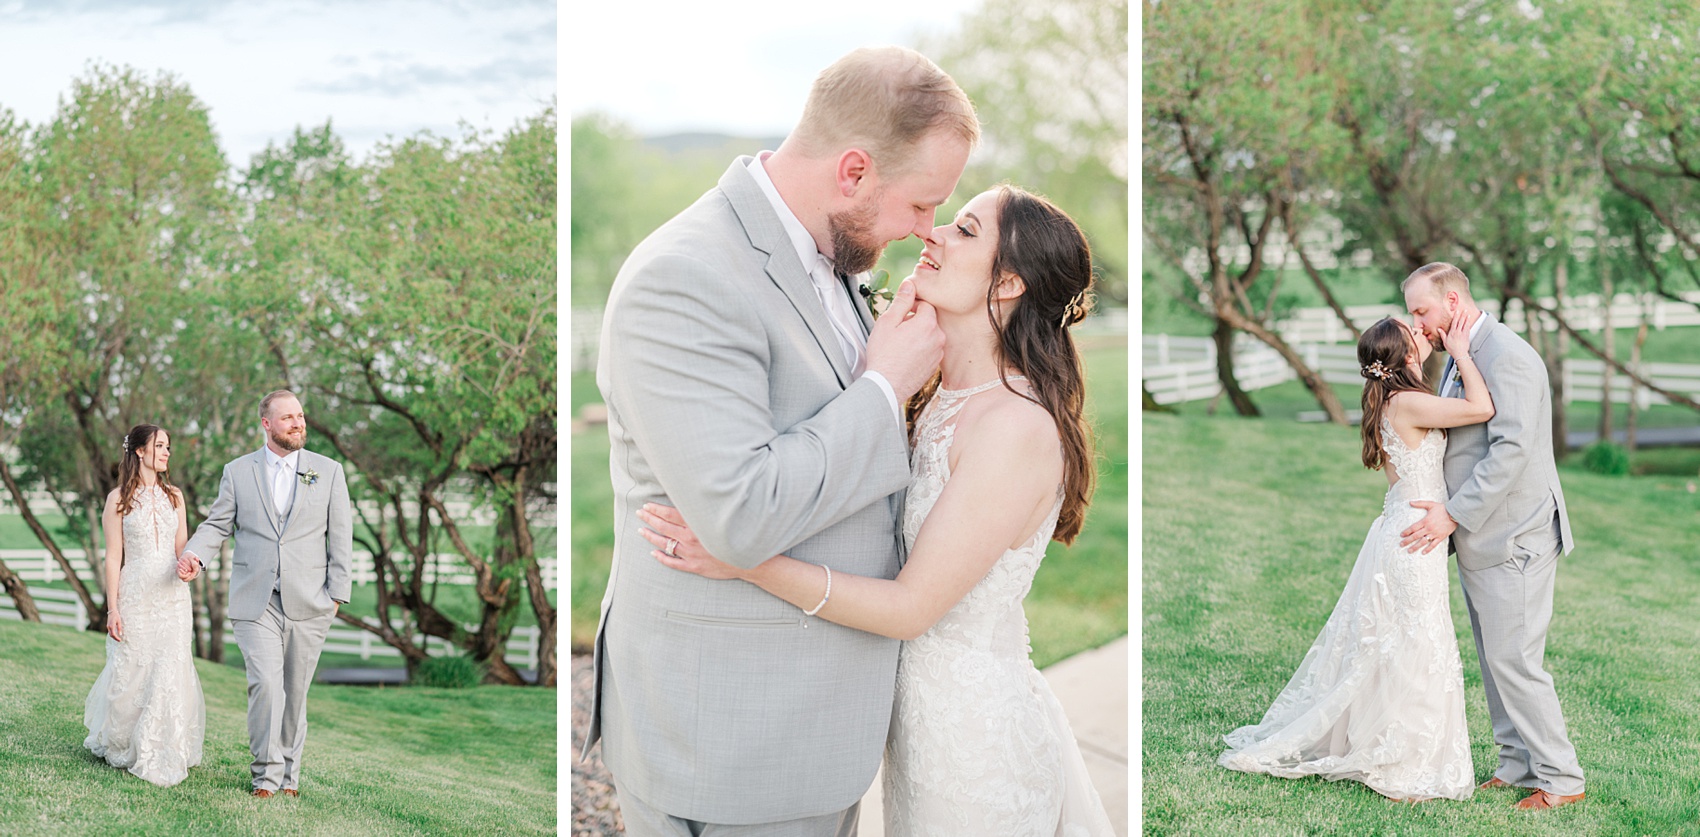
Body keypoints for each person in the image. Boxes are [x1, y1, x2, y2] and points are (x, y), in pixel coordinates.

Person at [582, 46, 974, 835]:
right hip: (730, 746)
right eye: (923, 204)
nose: (924, 232)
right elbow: (741, 514)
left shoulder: (831, 257)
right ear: (854, 171)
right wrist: (882, 387)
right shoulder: (685, 277)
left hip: (817, 733)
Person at [640, 185, 1115, 835]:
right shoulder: (937, 390)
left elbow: (912, 607)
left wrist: (745, 559)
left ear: (1007, 283)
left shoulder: (1016, 427)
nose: (934, 234)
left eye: (965, 230)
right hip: (911, 737)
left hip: (972, 754)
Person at [1219, 314, 1489, 801]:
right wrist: (1463, 352)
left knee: (1404, 643)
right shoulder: (1407, 402)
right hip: (1414, 533)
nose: (1421, 332)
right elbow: (1480, 407)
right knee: (1418, 644)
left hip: (1404, 526)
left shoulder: (1391, 401)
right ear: (1406, 357)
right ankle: (1403, 762)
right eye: (1414, 334)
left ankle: (1394, 744)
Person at [1397, 262, 1586, 810]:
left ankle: (1562, 778)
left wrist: (1452, 514)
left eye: (1422, 310)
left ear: (1452, 302)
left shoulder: (1509, 356)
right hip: (1484, 537)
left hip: (1514, 536)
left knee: (1515, 661)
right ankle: (1516, 763)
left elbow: (1511, 451)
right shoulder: (1464, 352)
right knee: (1493, 656)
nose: (1418, 322)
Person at [176, 389, 353, 798]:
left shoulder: (328, 471)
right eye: (288, 417)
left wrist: (336, 596)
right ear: (266, 424)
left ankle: (290, 777)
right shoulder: (238, 471)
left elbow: (340, 537)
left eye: (301, 416)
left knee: (295, 692)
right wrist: (194, 556)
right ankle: (266, 778)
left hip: (311, 602)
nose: (298, 423)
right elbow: (218, 525)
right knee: (266, 686)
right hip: (255, 601)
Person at [84, 424, 206, 787]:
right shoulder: (117, 499)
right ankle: (124, 742)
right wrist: (113, 609)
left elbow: (182, 548)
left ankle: (166, 748)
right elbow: (112, 558)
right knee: (133, 668)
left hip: (172, 597)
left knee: (171, 666)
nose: (167, 452)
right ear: (139, 451)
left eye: (169, 446)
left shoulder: (176, 496)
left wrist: (191, 567)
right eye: (160, 446)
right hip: (135, 593)